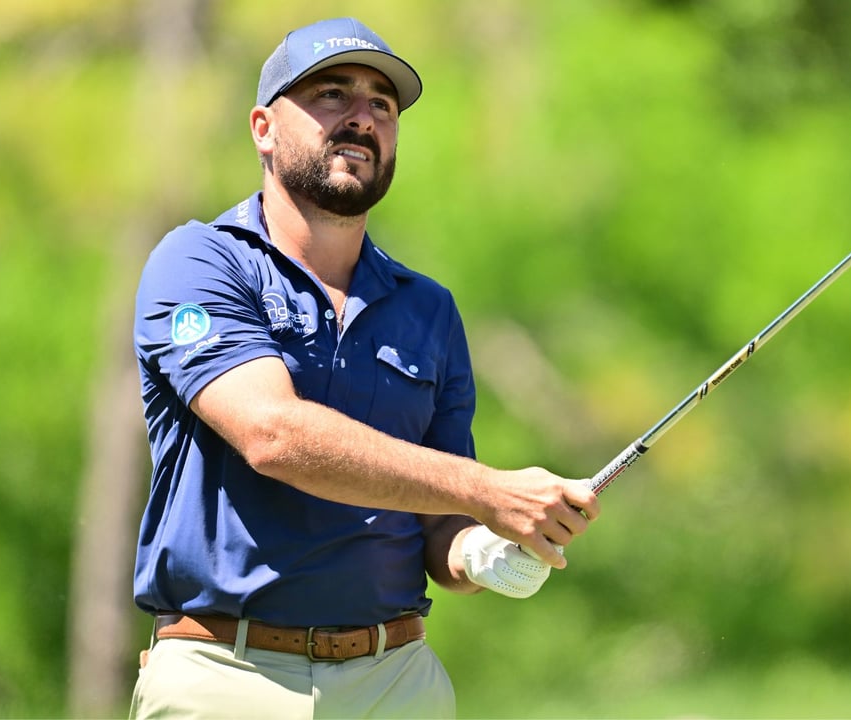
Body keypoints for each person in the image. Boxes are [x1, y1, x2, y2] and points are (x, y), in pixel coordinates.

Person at [128, 16, 600, 719]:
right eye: (330, 95)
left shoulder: (428, 309)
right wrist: (488, 490)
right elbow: (273, 435)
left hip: (397, 680)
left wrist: (483, 550)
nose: (360, 118)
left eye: (381, 104)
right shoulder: (200, 262)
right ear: (262, 126)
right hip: (226, 675)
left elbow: (438, 523)